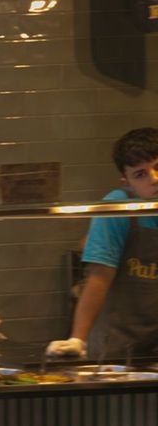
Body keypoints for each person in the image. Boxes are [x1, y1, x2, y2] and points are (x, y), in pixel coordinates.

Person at [48, 127, 158, 360]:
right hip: (118, 347)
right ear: (127, 181)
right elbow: (99, 277)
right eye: (141, 174)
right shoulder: (117, 208)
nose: (154, 179)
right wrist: (77, 339)